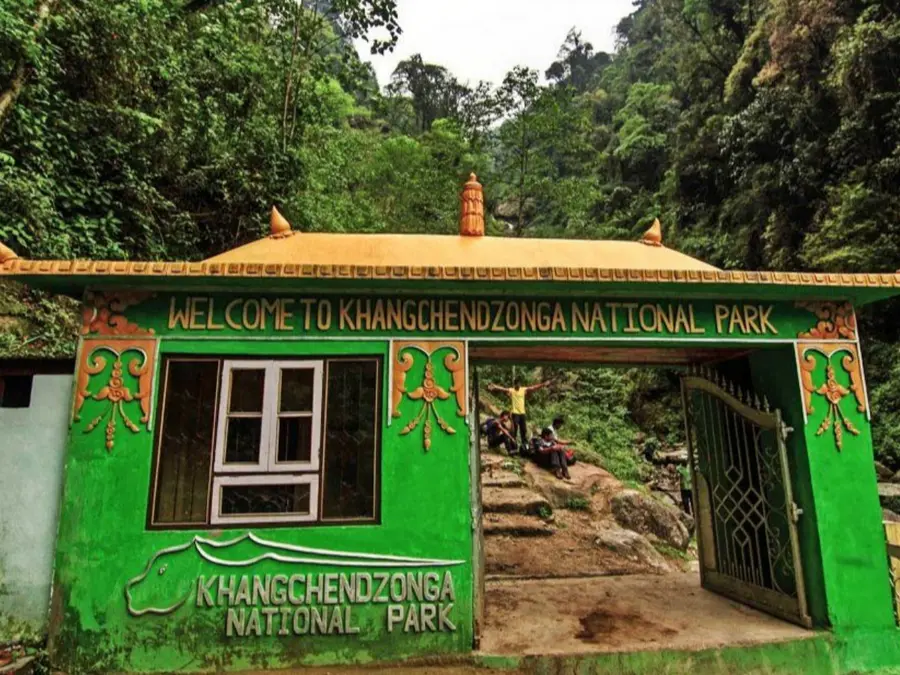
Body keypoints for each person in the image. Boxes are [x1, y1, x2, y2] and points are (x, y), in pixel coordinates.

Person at [487, 376, 550, 453]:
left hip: (522, 413)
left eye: (519, 384)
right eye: (517, 384)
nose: (518, 385)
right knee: (515, 430)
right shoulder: (512, 390)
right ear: (515, 384)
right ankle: (513, 447)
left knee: (523, 430)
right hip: (515, 413)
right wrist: (495, 386)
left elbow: (533, 388)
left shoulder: (523, 389)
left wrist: (543, 384)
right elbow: (503, 389)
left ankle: (524, 447)